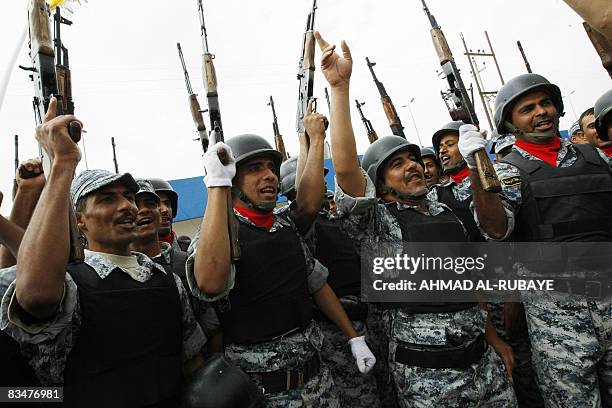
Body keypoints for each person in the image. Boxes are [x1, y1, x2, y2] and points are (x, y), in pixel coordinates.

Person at [314, 31, 516, 408]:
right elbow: (345, 169)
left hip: (483, 364)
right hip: (428, 376)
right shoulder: (377, 222)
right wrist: (339, 89)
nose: (411, 167)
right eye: (397, 165)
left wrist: (494, 339)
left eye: (413, 160)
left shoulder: (446, 213)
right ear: (379, 184)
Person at [0, 97, 206, 407]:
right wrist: (62, 164)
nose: (127, 206)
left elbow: (191, 360)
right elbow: (36, 295)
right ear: (79, 219)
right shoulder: (66, 283)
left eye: (128, 197)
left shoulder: (166, 279)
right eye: (107, 199)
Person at [188, 104, 375, 406]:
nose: (269, 176)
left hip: (318, 380)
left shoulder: (283, 225)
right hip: (266, 390)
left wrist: (352, 336)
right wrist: (217, 186)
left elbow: (315, 282)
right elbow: (210, 284)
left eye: (270, 168)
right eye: (254, 169)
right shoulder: (221, 236)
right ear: (233, 179)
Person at [462, 73, 612, 407]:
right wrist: (476, 166)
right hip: (559, 324)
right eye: (527, 108)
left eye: (545, 103)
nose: (540, 112)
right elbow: (496, 229)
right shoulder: (509, 170)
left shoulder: (597, 159)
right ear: (510, 122)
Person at [428, 121, 486, 242]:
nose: (442, 150)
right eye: (440, 147)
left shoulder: (495, 174)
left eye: (450, 144)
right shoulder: (435, 195)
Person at [149, 177, 191, 252]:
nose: (165, 210)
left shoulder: (190, 251)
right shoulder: (130, 258)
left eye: (167, 203)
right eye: (156, 204)